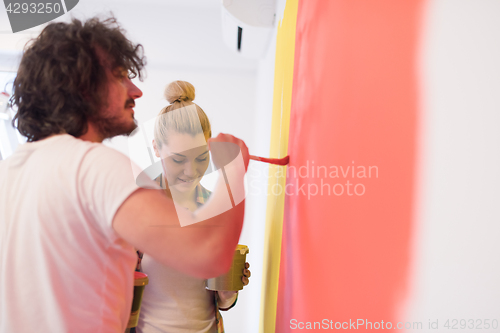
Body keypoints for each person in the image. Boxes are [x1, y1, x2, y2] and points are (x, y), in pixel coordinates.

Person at [0, 17, 249, 332]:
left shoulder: (9, 171)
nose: (137, 90)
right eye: (120, 77)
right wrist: (232, 168)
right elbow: (210, 255)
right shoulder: (97, 167)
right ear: (84, 88)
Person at [135, 81, 251, 333]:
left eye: (201, 157)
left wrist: (228, 291)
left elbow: (221, 301)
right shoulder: (135, 208)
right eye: (178, 159)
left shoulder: (215, 206)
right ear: (156, 148)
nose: (192, 171)